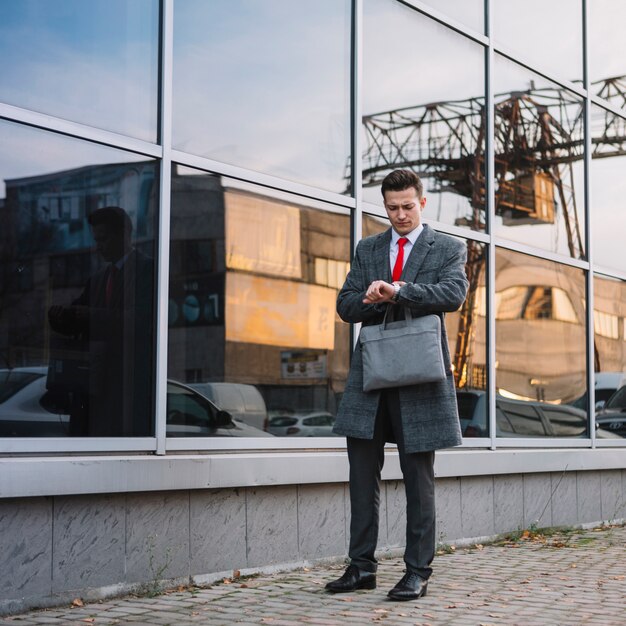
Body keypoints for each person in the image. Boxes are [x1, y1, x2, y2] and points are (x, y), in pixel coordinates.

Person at [326, 169, 468, 601]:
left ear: (422, 202)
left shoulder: (447, 246)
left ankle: (417, 571)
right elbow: (344, 305)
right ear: (384, 206)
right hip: (372, 377)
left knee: (417, 479)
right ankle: (361, 567)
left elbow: (453, 293)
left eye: (408, 206)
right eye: (392, 207)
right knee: (360, 474)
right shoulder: (368, 249)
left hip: (421, 378)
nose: (400, 214)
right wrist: (368, 297)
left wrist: (400, 291)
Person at [47, 206, 154, 436]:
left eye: (103, 239)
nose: (98, 246)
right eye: (96, 239)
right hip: (94, 387)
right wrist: (59, 318)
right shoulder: (97, 280)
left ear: (124, 235)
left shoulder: (148, 270)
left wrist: (89, 314)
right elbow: (79, 315)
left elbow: (142, 321)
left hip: (125, 388)